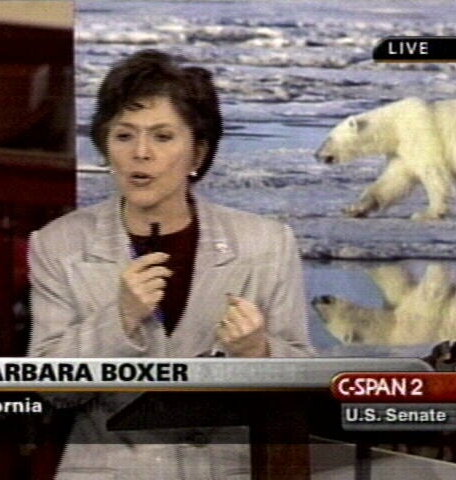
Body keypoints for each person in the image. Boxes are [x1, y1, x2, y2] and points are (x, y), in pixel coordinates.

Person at [28, 49, 313, 479]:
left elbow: (305, 381)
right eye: (124, 136)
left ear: (197, 154)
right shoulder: (58, 245)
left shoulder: (267, 243)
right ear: (106, 146)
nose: (141, 153)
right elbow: (51, 389)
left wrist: (258, 352)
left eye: (162, 137)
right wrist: (119, 319)